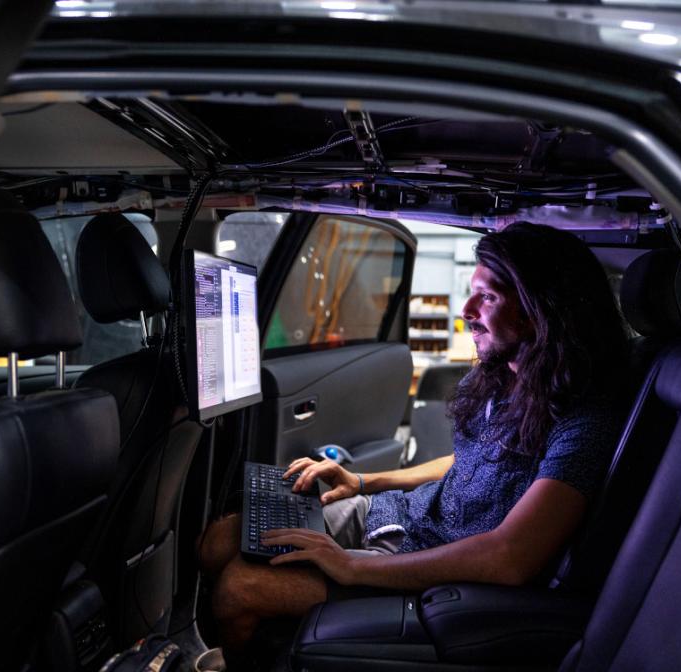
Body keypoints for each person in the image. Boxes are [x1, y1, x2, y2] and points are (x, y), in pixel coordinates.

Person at [199, 221, 628, 659]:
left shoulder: (585, 419)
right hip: (399, 518)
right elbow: (466, 460)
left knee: (239, 589)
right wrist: (364, 481)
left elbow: (510, 556)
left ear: (541, 311)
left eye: (489, 297)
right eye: (472, 290)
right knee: (219, 541)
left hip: (437, 564)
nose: (467, 309)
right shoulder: (505, 375)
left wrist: (348, 565)